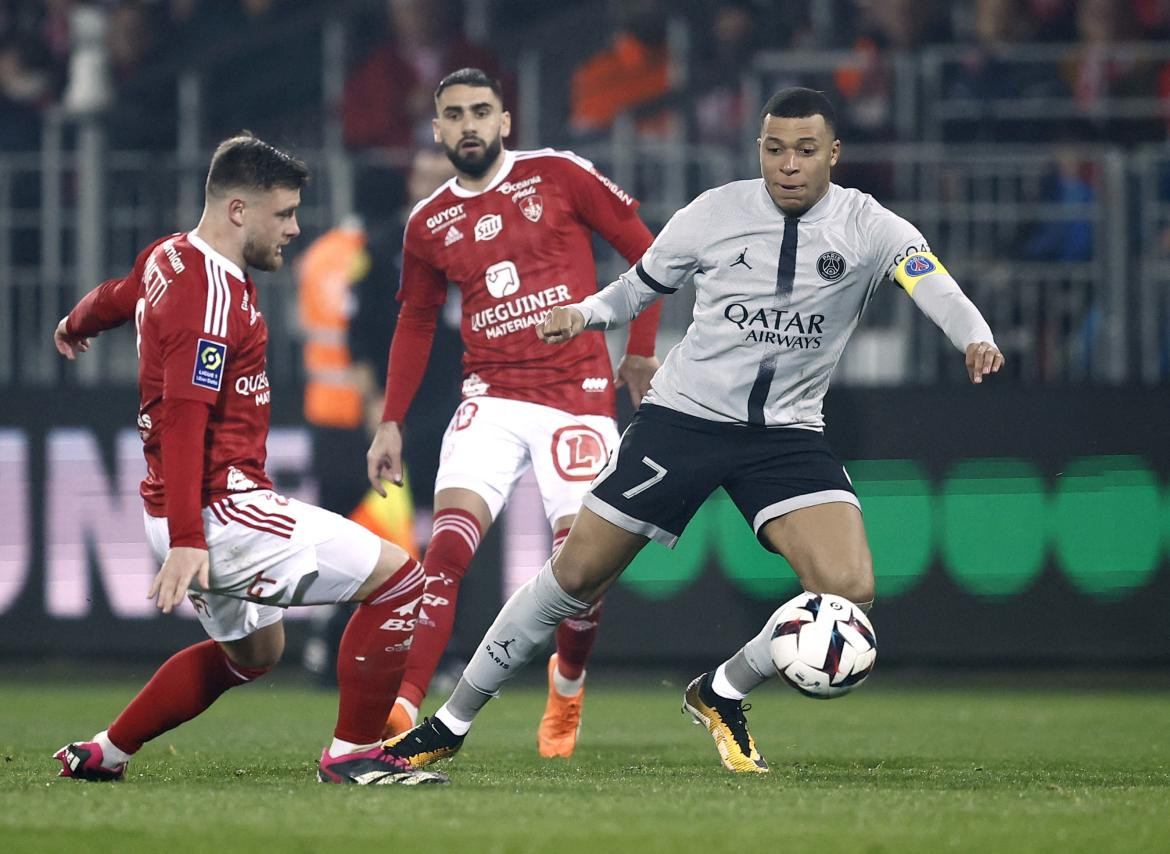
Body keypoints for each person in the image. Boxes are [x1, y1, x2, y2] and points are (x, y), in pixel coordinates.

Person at [383, 87, 1004, 774]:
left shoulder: (871, 226)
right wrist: (587, 314)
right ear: (759, 151)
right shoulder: (715, 212)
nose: (787, 165)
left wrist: (973, 336)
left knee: (849, 589)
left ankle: (721, 690)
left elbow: (931, 281)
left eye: (804, 151)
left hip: (786, 435)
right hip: (683, 421)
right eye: (774, 150)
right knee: (575, 576)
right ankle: (449, 721)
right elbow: (640, 286)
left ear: (833, 154)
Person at [50, 133, 446, 786]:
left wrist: (76, 322)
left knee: (256, 652)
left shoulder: (169, 257)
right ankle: (353, 756)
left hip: (187, 509)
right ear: (239, 210)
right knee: (401, 578)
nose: (293, 229)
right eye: (284, 213)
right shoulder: (208, 294)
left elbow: (119, 295)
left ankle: (105, 752)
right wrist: (186, 540)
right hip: (219, 510)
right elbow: (183, 419)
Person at [366, 67, 663, 758]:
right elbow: (414, 320)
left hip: (577, 399)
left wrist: (639, 355)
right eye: (454, 115)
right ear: (436, 130)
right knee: (444, 550)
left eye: (481, 111)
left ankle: (567, 683)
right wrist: (391, 419)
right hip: (491, 398)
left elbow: (648, 253)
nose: (468, 124)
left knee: (582, 577)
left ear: (505, 121)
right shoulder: (427, 221)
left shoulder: (558, 174)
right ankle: (404, 709)